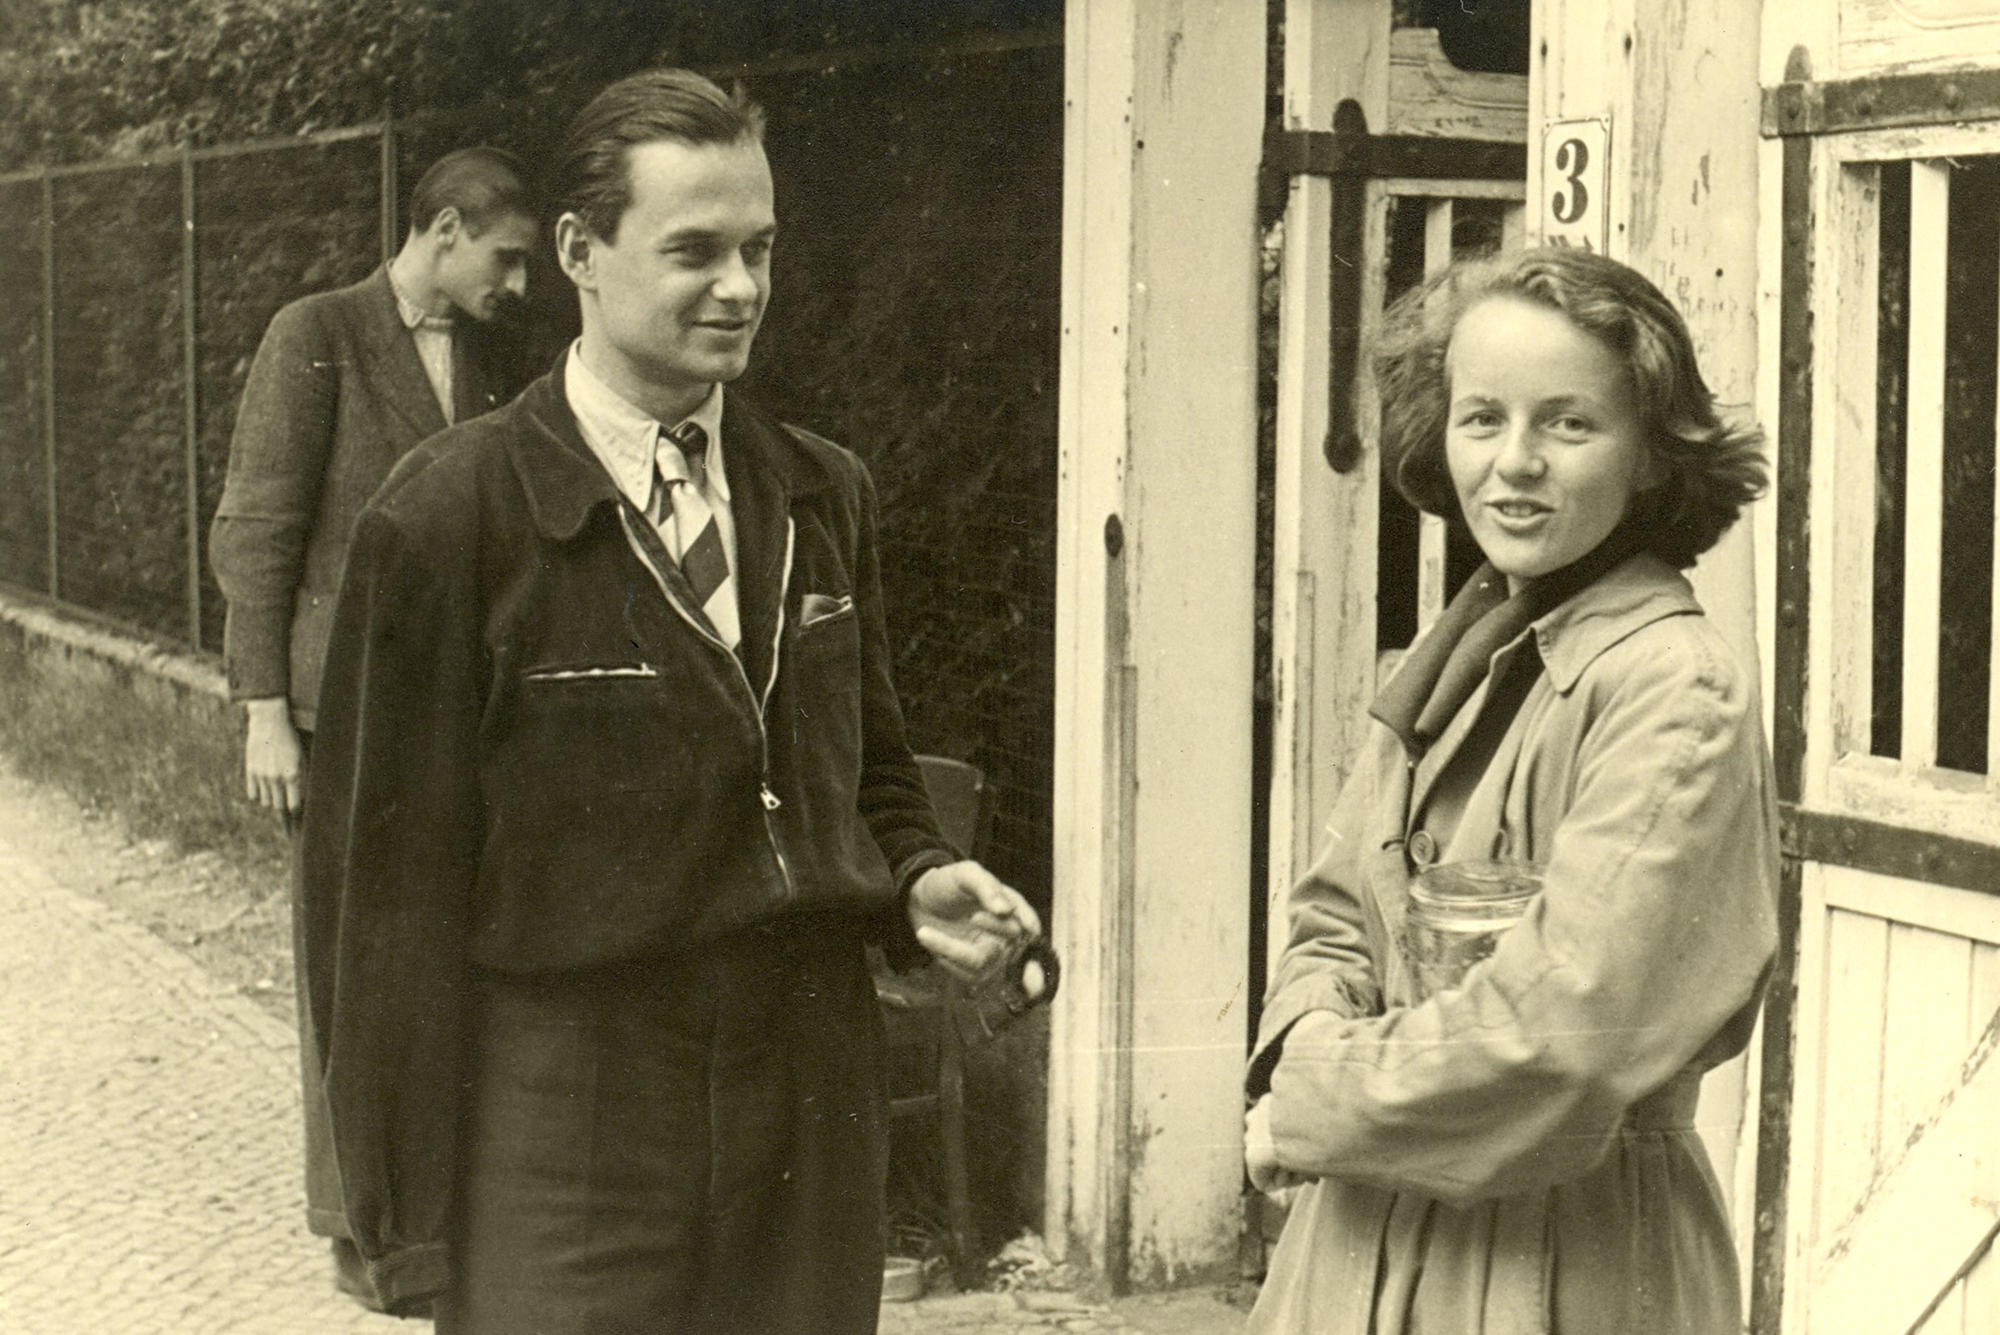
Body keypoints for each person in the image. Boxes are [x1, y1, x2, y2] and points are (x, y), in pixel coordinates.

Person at [299, 68, 1043, 1332]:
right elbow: (380, 896)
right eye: (695, 250)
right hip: (570, 1113)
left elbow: (866, 767)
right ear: (581, 253)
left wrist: (915, 874)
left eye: (758, 248)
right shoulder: (444, 519)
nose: (741, 287)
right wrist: (401, 1219)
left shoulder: (822, 491)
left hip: (808, 1100)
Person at [1243, 247, 1778, 1333]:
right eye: (1480, 418)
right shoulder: (1468, 647)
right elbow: (1334, 921)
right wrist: (1306, 1041)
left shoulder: (1671, 690)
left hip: (1562, 1259)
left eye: (1567, 424)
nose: (1513, 462)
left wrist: (1301, 1106)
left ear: (1649, 458)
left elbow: (1550, 1038)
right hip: (1351, 1251)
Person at [207, 145, 539, 1298]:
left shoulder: (500, 359)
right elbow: (254, 528)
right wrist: (262, 711)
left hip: (462, 712)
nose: (518, 285)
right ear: (443, 231)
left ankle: (435, 1220)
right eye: (504, 258)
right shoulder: (318, 333)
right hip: (334, 709)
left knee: (444, 964)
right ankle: (360, 1229)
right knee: (346, 972)